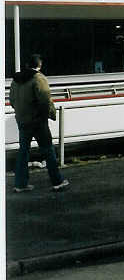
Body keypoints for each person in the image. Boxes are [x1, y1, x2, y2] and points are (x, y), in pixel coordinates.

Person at [10, 54, 69, 192]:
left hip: (22, 121)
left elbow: (12, 100)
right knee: (48, 150)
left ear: (26, 65)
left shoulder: (16, 80)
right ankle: (57, 181)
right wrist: (44, 117)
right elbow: (45, 100)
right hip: (37, 122)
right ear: (40, 65)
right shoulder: (39, 78)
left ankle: (20, 184)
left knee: (23, 152)